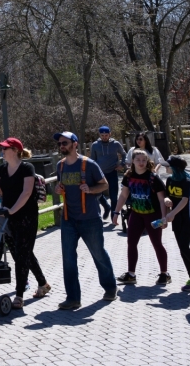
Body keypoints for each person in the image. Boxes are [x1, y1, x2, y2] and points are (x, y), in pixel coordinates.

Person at [52, 130, 117, 309]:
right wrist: (59, 189)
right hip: (68, 219)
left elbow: (105, 184)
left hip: (90, 219)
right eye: (59, 144)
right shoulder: (61, 166)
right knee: (68, 259)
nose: (61, 146)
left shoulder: (89, 164)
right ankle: (73, 298)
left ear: (75, 144)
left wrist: (91, 189)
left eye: (65, 143)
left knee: (98, 254)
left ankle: (110, 288)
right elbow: (61, 185)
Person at [0, 137, 51, 309]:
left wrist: (13, 210)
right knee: (23, 253)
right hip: (9, 216)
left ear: (15, 150)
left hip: (26, 216)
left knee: (21, 256)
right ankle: (43, 283)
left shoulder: (26, 168)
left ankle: (19, 295)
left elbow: (27, 192)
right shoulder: (2, 169)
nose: (2, 151)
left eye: (5, 149)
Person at [111, 149, 171, 285]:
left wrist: (164, 218)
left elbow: (162, 199)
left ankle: (164, 274)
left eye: (144, 160)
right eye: (138, 160)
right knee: (131, 243)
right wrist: (116, 212)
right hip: (136, 214)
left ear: (148, 161)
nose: (141, 163)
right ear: (132, 161)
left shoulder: (153, 177)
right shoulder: (129, 175)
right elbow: (123, 195)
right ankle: (131, 274)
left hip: (153, 215)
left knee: (157, 244)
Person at [163, 156, 190, 292]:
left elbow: (185, 200)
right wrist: (166, 201)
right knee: (182, 249)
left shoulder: (187, 181)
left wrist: (171, 213)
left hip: (188, 218)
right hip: (176, 219)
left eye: (168, 166)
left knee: (184, 247)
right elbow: (167, 195)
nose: (166, 168)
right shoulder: (170, 180)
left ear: (175, 168)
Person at [90, 126, 125, 222]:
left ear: (110, 134)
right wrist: (91, 171)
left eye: (106, 135)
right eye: (102, 135)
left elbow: (124, 154)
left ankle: (114, 216)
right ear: (99, 135)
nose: (104, 137)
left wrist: (122, 164)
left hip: (112, 172)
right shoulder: (95, 145)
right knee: (97, 193)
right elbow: (92, 160)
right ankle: (106, 206)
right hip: (99, 174)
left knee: (114, 196)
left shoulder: (116, 144)